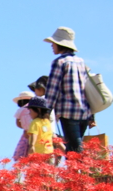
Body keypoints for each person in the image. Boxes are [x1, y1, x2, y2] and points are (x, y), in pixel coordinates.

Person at [42, 27, 92, 155]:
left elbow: (53, 88)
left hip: (68, 112)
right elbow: (88, 88)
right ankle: (81, 172)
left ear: (60, 44)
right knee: (77, 146)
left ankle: (77, 174)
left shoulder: (59, 62)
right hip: (84, 111)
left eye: (53, 43)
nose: (51, 46)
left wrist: (46, 111)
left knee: (74, 151)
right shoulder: (81, 62)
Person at [26, 97, 55, 161]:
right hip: (50, 152)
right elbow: (52, 135)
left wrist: (32, 146)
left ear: (38, 110)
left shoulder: (35, 122)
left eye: (30, 111)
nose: (29, 113)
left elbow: (34, 134)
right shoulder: (47, 122)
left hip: (38, 153)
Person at [11, 90, 35, 161]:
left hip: (26, 133)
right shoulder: (35, 109)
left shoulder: (20, 110)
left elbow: (18, 124)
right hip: (38, 132)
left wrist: (25, 127)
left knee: (23, 154)